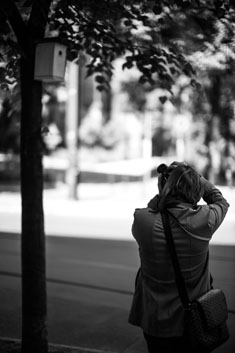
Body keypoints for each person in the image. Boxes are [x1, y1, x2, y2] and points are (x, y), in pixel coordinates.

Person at [128, 161, 230, 353]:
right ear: (196, 190)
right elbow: (220, 201)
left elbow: (155, 206)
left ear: (164, 188)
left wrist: (163, 189)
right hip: (194, 320)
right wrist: (198, 179)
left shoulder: (143, 221)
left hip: (155, 319)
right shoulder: (205, 220)